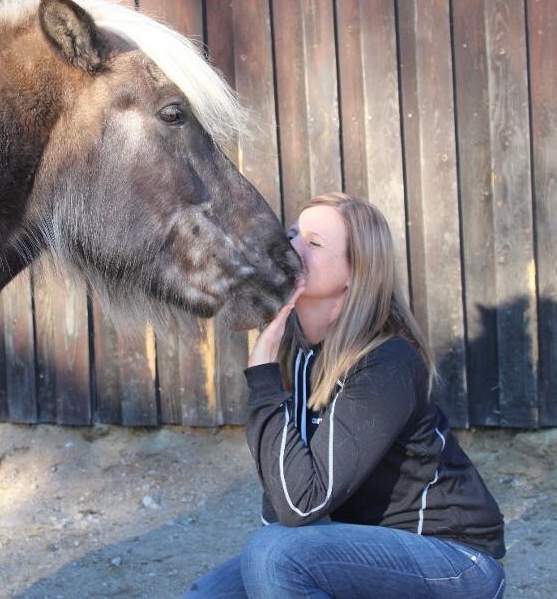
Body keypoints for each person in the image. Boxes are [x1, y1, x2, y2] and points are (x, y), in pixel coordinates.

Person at [185, 192, 506, 598]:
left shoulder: (386, 362)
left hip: (455, 563)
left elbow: (300, 506)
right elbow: (285, 505)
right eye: (293, 233)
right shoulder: (296, 352)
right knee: (210, 594)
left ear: (356, 272)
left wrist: (264, 383)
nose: (293, 247)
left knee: (274, 555)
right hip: (359, 547)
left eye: (314, 244)